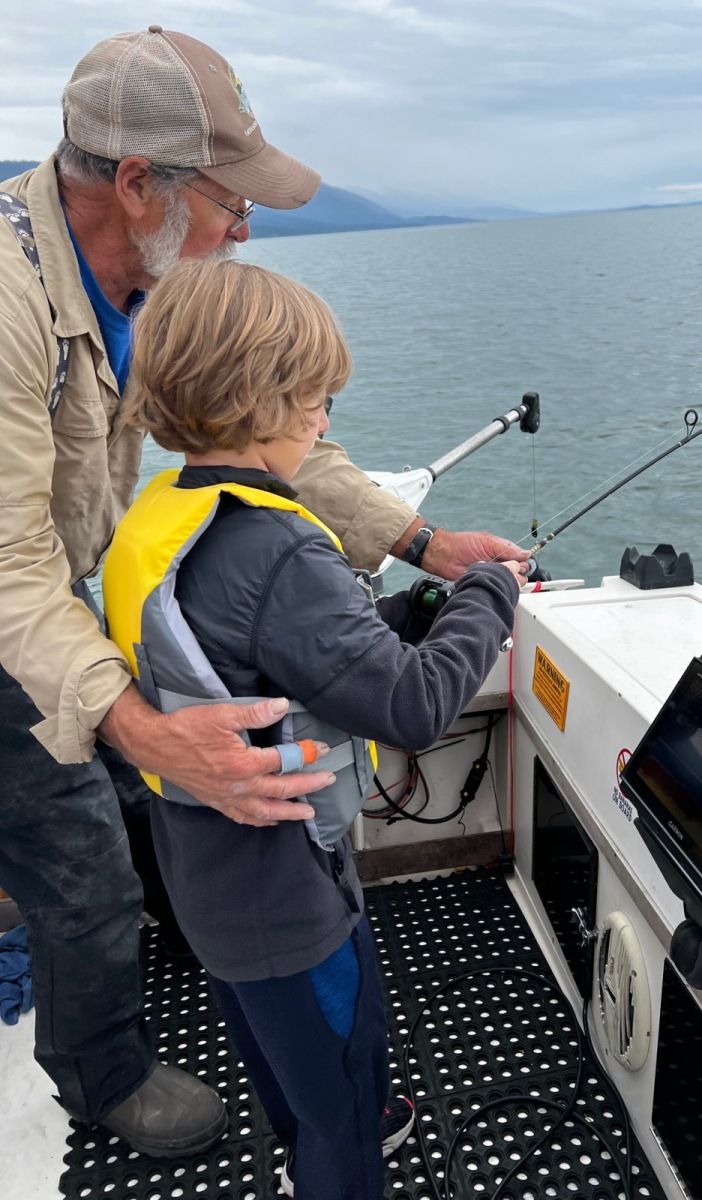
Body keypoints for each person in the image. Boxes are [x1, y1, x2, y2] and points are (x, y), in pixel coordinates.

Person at [0, 25, 530, 1156]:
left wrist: (422, 545)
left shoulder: (155, 284)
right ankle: (103, 1077)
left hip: (69, 596)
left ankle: (229, 974)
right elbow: (10, 566)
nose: (246, 227)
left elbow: (268, 436)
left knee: (144, 813)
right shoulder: (7, 298)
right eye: (230, 201)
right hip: (10, 608)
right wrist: (142, 727)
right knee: (80, 859)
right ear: (137, 184)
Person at [101, 256, 525, 1199]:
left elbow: (271, 650)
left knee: (284, 1059)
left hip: (203, 874)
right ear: (260, 403)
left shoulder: (166, 513)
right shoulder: (279, 548)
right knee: (341, 1088)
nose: (325, 423)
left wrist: (408, 615)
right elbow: (413, 706)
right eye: (316, 401)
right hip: (289, 893)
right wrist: (487, 593)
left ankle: (317, 1141)